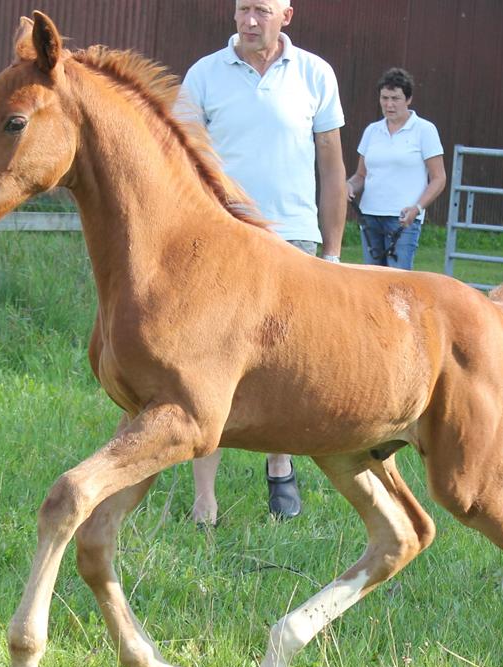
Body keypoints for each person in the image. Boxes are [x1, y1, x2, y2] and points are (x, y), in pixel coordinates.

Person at [178, 0, 346, 523]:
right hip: (219, 241)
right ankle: (205, 497)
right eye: (243, 9)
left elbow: (332, 165)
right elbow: (178, 160)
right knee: (204, 367)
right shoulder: (204, 75)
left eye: (263, 10)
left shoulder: (316, 74)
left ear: (286, 16)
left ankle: (280, 467)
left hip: (290, 239)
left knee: (281, 364)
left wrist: (333, 251)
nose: (251, 20)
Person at [346, 67, 445, 271]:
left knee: (398, 283)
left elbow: (438, 178)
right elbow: (361, 175)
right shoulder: (372, 131)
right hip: (370, 216)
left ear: (408, 99)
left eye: (395, 98)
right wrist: (348, 186)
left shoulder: (425, 130)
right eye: (384, 98)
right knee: (371, 281)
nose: (389, 104)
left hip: (403, 220)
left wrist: (417, 208)